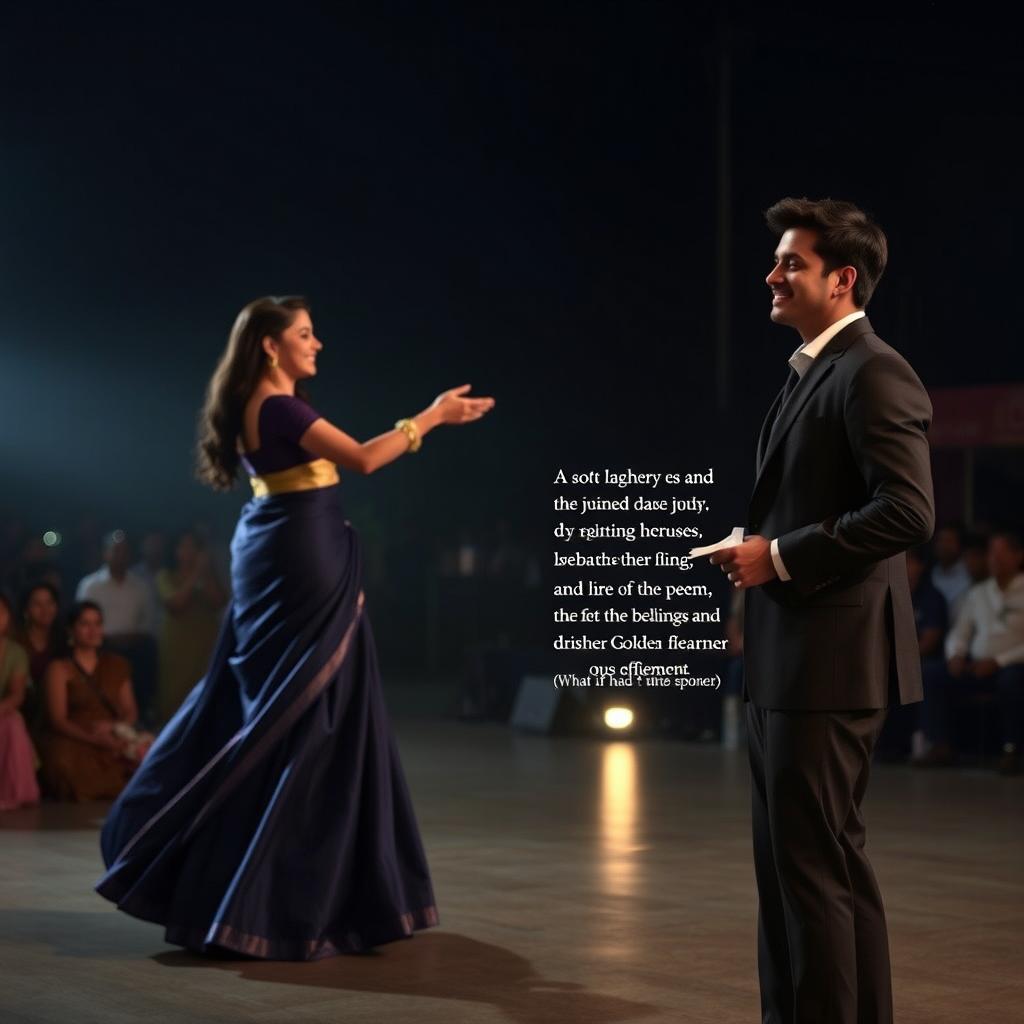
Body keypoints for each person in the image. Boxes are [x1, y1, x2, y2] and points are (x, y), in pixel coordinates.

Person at [96, 295, 495, 961]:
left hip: (284, 546)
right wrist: (435, 415)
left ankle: (269, 895)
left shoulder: (260, 403)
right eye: (305, 335)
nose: (317, 345)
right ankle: (275, 900)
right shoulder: (280, 406)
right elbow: (365, 460)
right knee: (307, 717)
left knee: (295, 715)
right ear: (270, 346)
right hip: (299, 556)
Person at [707, 198, 934, 1024]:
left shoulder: (873, 369)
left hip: (831, 667)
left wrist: (783, 555)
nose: (772, 275)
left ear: (842, 281)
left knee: (813, 874)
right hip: (790, 657)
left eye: (790, 263)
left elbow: (908, 512)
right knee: (801, 871)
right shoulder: (817, 370)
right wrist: (759, 551)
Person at [917, 529, 1024, 774]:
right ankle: (939, 745)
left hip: (1012, 666)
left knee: (1012, 681)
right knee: (932, 674)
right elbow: (960, 631)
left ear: (1018, 556)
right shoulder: (979, 592)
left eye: (1001, 554)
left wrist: (999, 661)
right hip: (976, 665)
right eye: (991, 554)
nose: (994, 560)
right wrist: (956, 653)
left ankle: (1011, 749)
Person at [39, 601, 150, 802]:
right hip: (76, 735)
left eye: (97, 624)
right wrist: (96, 739)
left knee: (148, 752)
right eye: (85, 624)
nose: (93, 630)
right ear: (71, 630)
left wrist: (114, 726)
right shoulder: (59, 668)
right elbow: (58, 720)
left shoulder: (117, 664)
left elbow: (130, 711)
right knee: (64, 762)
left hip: (113, 732)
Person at [76, 531, 158, 725]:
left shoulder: (141, 586)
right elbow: (80, 622)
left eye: (125, 551)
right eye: (116, 551)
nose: (120, 555)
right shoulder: (90, 585)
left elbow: (149, 622)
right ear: (106, 553)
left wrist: (131, 639)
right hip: (101, 648)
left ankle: (141, 720)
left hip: (135, 650)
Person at [156, 528, 228, 722]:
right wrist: (196, 573)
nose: (188, 552)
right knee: (175, 699)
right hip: (178, 648)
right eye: (184, 546)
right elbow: (175, 604)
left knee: (206, 697)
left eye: (193, 547)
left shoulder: (208, 577)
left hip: (205, 646)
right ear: (175, 551)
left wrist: (206, 573)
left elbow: (218, 602)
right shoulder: (165, 576)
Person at [0, 592, 41, 812]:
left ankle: (14, 792)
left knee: (13, 722)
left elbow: (17, 694)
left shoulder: (15, 653)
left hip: (3, 711)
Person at [13, 581, 63, 733]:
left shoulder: (66, 641)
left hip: (60, 710)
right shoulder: (15, 642)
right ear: (26, 610)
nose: (45, 609)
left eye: (50, 603)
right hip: (25, 711)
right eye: (37, 604)